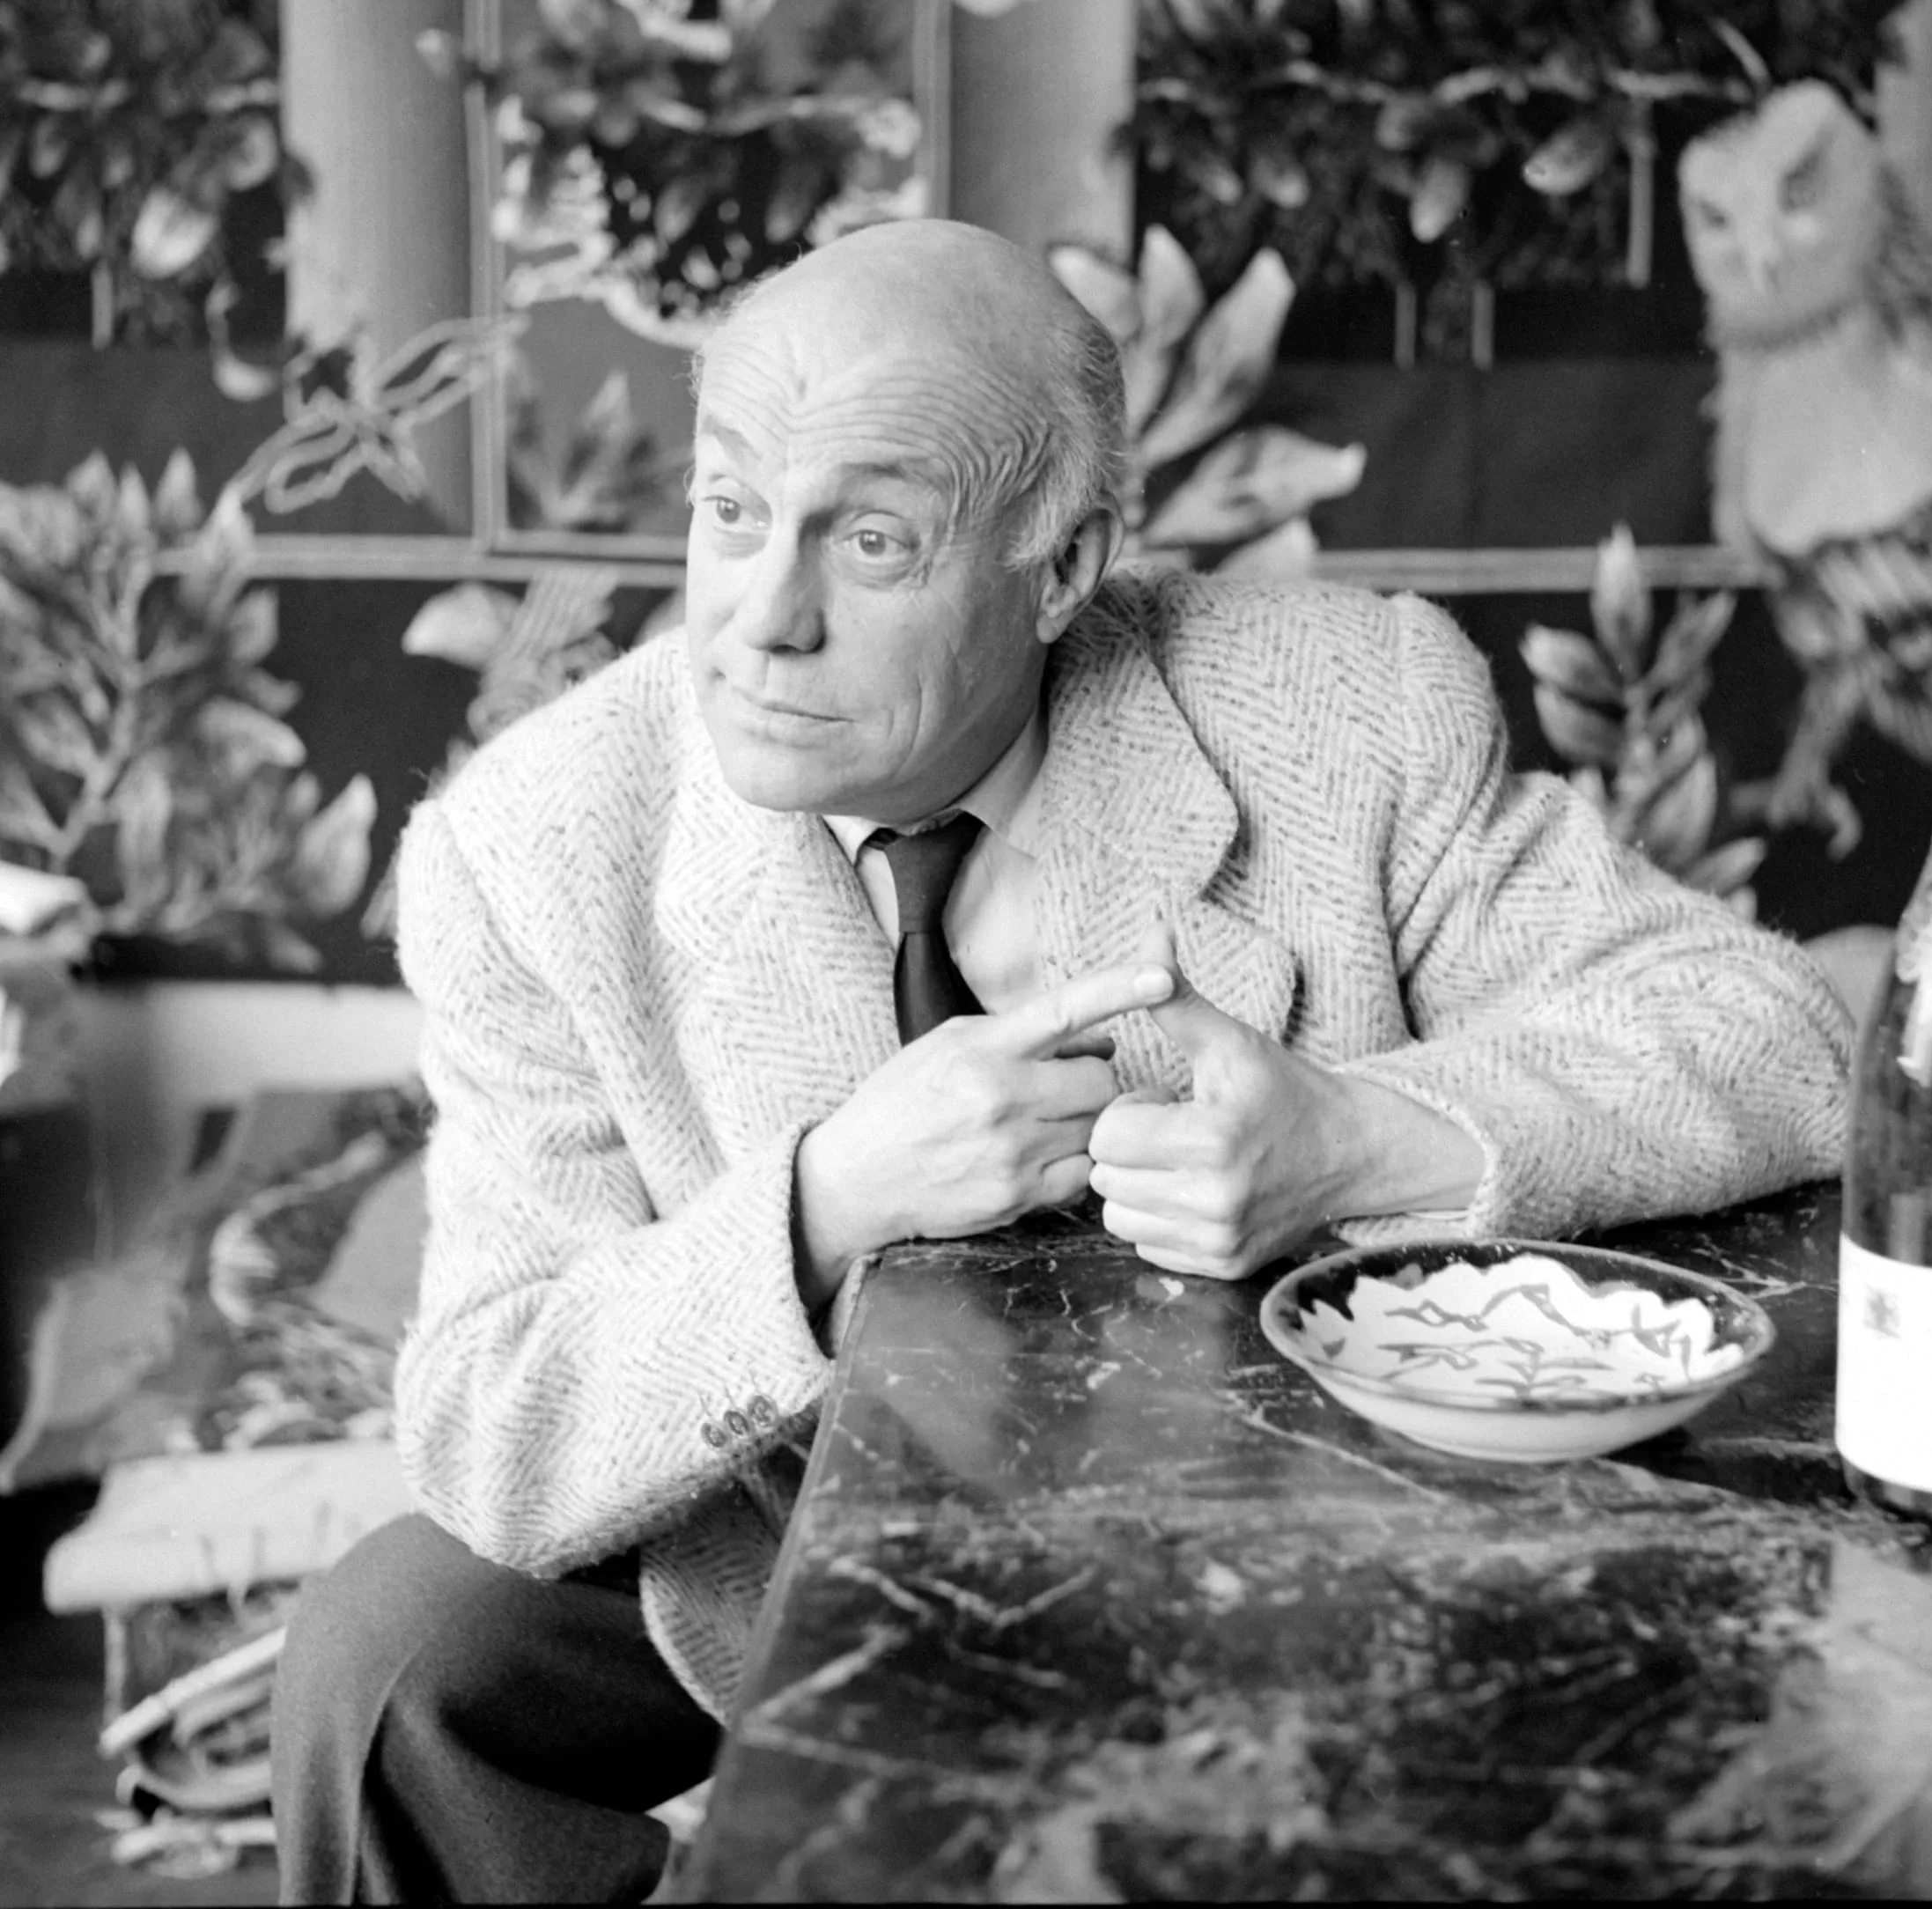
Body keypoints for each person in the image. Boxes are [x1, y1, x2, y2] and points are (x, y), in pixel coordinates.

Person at [271, 217, 1851, 1902]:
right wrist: (817, 1210)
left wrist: (1360, 1139)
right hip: (783, 1520)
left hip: (1292, 1509)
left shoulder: (1352, 711)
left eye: (871, 541)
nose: (761, 620)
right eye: (731, 512)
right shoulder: (534, 845)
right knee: (389, 1657)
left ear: (1064, 564)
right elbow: (488, 1416)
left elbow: (1778, 1034)